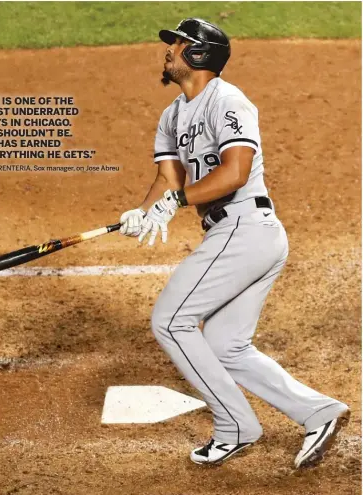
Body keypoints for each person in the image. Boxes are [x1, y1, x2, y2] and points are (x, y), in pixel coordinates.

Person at [119, 18, 349, 467]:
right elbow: (167, 178)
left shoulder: (228, 101)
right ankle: (317, 411)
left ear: (200, 54)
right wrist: (142, 211)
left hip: (245, 230)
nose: (169, 51)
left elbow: (235, 172)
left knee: (170, 321)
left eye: (178, 44)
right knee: (226, 344)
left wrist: (177, 202)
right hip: (241, 235)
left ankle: (235, 424)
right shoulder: (173, 114)